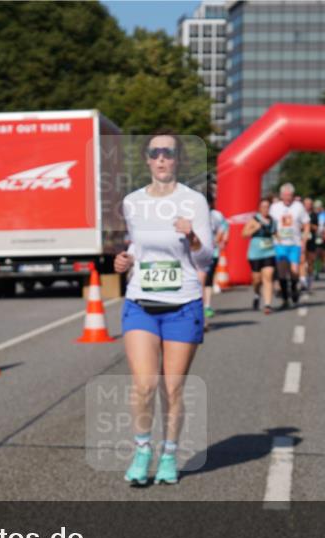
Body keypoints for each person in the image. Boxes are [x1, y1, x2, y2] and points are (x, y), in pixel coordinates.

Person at [114, 130, 213, 487]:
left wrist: (192, 236)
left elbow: (205, 258)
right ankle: (142, 451)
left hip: (182, 304)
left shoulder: (194, 202)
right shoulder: (132, 202)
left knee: (172, 389)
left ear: (177, 160)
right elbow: (137, 246)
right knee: (143, 385)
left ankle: (169, 454)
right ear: (146, 159)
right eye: (154, 152)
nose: (161, 159)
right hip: (140, 302)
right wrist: (124, 260)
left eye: (168, 153)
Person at [269, 182, 310, 309]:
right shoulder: (275, 207)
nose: (287, 198)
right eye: (285, 195)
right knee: (281, 272)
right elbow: (271, 225)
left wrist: (304, 240)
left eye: (289, 195)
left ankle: (294, 291)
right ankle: (285, 298)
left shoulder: (298, 206)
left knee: (294, 271)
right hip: (280, 244)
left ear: (293, 195)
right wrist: (274, 237)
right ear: (281, 195)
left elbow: (306, 224)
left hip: (295, 243)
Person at [243, 197, 277, 314]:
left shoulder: (273, 221)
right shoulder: (254, 220)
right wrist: (254, 229)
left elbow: (275, 234)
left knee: (268, 276)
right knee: (256, 279)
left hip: (269, 252)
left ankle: (267, 305)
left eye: (267, 207)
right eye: (263, 207)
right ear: (259, 208)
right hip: (255, 254)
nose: (265, 209)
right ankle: (257, 293)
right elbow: (244, 234)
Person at [202, 201, 228, 322]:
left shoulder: (216, 215)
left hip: (212, 252)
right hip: (193, 253)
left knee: (207, 280)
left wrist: (221, 238)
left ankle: (206, 306)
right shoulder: (191, 214)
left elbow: (225, 226)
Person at [300, 196, 317, 294]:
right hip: (301, 239)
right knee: (301, 261)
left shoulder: (314, 215)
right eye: (306, 204)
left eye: (309, 204)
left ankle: (309, 283)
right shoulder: (299, 214)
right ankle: (302, 283)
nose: (308, 206)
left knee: (310, 263)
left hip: (311, 240)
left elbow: (316, 227)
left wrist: (308, 225)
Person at [313, 199, 325, 280]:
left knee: (323, 253)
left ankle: (322, 266)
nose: (317, 209)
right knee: (317, 253)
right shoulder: (313, 214)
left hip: (324, 236)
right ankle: (316, 270)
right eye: (316, 207)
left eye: (318, 207)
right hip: (315, 236)